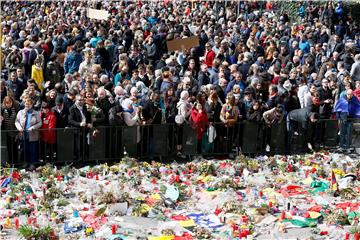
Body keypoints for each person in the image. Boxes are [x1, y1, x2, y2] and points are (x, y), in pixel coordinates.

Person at [15, 98, 42, 169]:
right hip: (23, 135)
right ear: (24, 104)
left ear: (32, 104)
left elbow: (40, 123)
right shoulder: (20, 112)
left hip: (33, 134)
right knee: (25, 149)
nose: (27, 105)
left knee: (33, 150)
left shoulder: (36, 113)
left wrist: (33, 127)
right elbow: (16, 121)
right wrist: (19, 128)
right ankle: (26, 162)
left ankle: (33, 164)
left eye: (29, 104)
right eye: (26, 104)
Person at [68, 94, 92, 160]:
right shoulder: (72, 108)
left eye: (82, 100)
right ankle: (78, 159)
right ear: (75, 100)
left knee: (85, 144)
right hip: (77, 130)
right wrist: (79, 124)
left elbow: (88, 117)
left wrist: (89, 123)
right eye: (79, 100)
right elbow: (70, 120)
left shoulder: (84, 107)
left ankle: (84, 158)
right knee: (77, 146)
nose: (81, 101)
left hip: (85, 129)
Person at [1, 96, 20, 164]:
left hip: (15, 132)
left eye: (9, 103)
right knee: (9, 148)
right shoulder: (3, 109)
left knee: (15, 148)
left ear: (12, 102)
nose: (8, 104)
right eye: (7, 103)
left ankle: (16, 162)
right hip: (7, 132)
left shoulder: (16, 108)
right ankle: (10, 162)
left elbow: (19, 119)